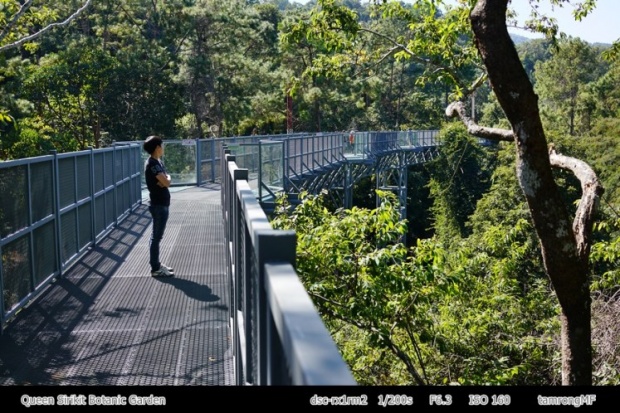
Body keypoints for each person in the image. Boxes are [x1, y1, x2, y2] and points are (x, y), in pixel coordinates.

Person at [143, 135, 174, 277]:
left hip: (162, 203)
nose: (163, 148)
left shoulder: (157, 162)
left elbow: (165, 180)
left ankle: (157, 264)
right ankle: (155, 268)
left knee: (156, 236)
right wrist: (166, 179)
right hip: (158, 204)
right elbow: (166, 182)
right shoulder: (153, 164)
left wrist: (166, 179)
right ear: (157, 148)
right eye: (161, 145)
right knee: (156, 237)